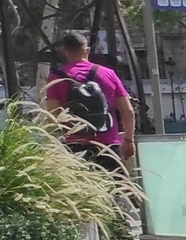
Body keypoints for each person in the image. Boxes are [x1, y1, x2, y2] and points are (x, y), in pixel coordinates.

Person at [41, 32, 136, 175]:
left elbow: (52, 116)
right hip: (108, 144)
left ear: (64, 51)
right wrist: (129, 140)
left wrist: (51, 146)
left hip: (74, 146)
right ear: (87, 50)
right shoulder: (108, 73)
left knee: (80, 194)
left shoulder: (56, 78)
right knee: (117, 192)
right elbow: (127, 110)